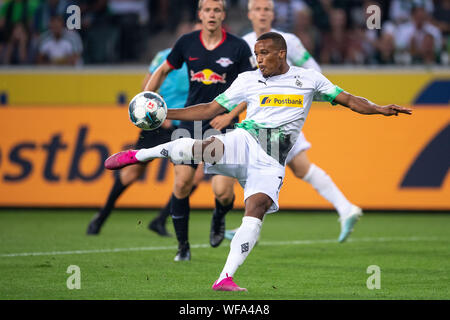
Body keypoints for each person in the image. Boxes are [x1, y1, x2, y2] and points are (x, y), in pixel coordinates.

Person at [104, 32, 412, 291]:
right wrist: (165, 114)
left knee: (257, 209)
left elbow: (348, 99)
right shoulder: (248, 79)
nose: (259, 59)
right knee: (202, 147)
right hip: (246, 142)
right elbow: (211, 109)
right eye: (256, 54)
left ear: (281, 53)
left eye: (264, 54)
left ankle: (225, 277)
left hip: (272, 159)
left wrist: (379, 108)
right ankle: (137, 156)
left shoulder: (308, 79)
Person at [210, 0, 362, 243]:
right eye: (257, 9)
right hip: (259, 118)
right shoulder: (242, 44)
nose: (262, 13)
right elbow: (248, 88)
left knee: (264, 168)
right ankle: (345, 208)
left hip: (281, 119)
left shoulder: (289, 41)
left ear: (273, 14)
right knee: (297, 168)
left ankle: (250, 227)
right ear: (249, 14)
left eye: (267, 9)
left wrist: (296, 95)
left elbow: (315, 71)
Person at [142, 0, 255, 261]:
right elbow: (162, 70)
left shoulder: (238, 47)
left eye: (217, 10)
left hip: (224, 126)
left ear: (223, 15)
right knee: (182, 183)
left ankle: (219, 217)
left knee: (223, 193)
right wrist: (147, 98)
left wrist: (230, 116)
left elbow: (252, 88)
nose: (212, 14)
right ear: (200, 14)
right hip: (190, 123)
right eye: (207, 10)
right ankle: (183, 247)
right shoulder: (187, 42)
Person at [86, 44, 192, 236]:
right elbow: (147, 85)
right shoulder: (166, 56)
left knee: (191, 177)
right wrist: (158, 112)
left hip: (186, 125)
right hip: (161, 124)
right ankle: (101, 217)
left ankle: (160, 221)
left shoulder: (207, 62)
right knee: (132, 173)